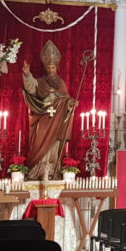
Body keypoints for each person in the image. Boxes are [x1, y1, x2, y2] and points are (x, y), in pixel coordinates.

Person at [22, 41, 77, 179]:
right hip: (43, 116)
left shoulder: (61, 83)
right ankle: (38, 169)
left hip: (57, 119)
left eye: (53, 67)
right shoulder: (40, 82)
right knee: (40, 143)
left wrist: (71, 103)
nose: (51, 70)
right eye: (48, 68)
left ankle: (52, 171)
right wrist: (27, 74)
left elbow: (67, 98)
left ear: (57, 68)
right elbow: (31, 88)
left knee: (54, 144)